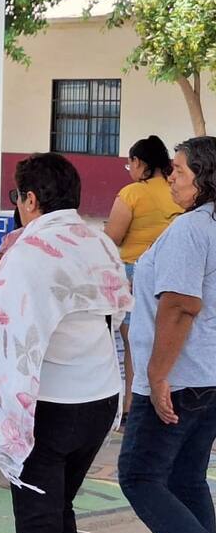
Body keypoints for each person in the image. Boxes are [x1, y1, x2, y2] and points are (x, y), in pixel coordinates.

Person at [0, 153, 131, 533]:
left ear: (31, 200)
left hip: (51, 407)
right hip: (99, 399)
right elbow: (118, 312)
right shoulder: (99, 242)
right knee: (59, 511)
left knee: (39, 525)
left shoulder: (31, 251)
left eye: (18, 197)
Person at [119, 136, 216, 533]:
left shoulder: (191, 229)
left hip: (181, 376)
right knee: (185, 477)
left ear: (203, 178)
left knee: (139, 475)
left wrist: (158, 376)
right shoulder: (202, 225)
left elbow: (180, 306)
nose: (170, 176)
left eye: (178, 170)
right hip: (206, 374)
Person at [104, 135, 180, 413]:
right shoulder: (177, 191)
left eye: (129, 165)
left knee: (134, 340)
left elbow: (113, 235)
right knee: (167, 336)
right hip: (172, 272)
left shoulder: (133, 193)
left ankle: (131, 403)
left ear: (139, 162)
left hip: (134, 272)